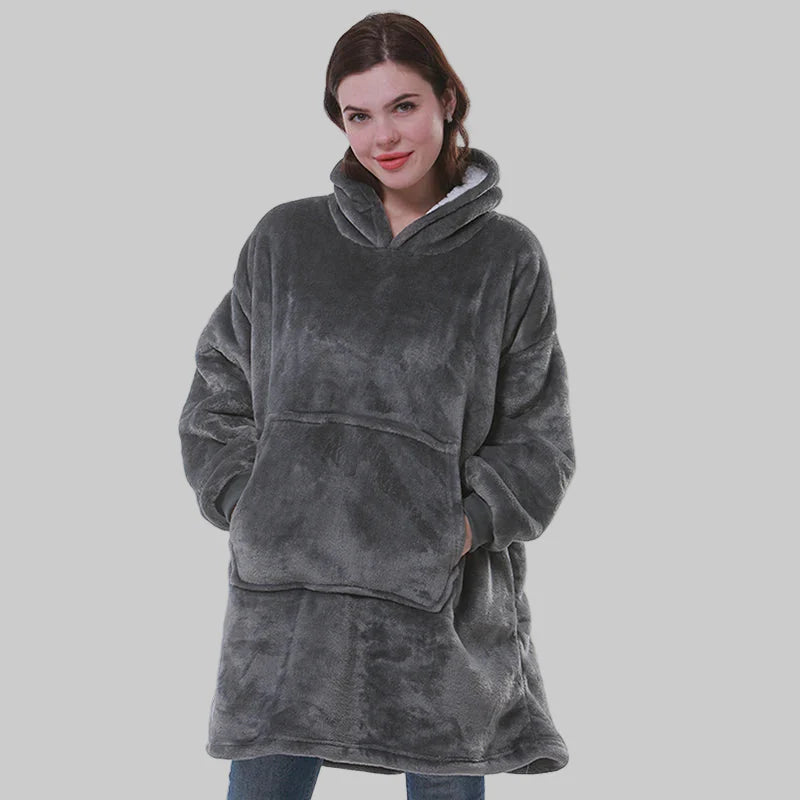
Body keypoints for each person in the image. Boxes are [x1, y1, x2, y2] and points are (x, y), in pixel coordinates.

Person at [178, 11, 576, 800]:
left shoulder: (505, 258)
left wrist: (458, 530)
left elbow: (539, 442)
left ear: (447, 101)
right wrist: (252, 506)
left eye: (403, 106)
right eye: (358, 114)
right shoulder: (286, 240)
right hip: (286, 612)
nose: (383, 136)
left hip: (438, 615)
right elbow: (216, 395)